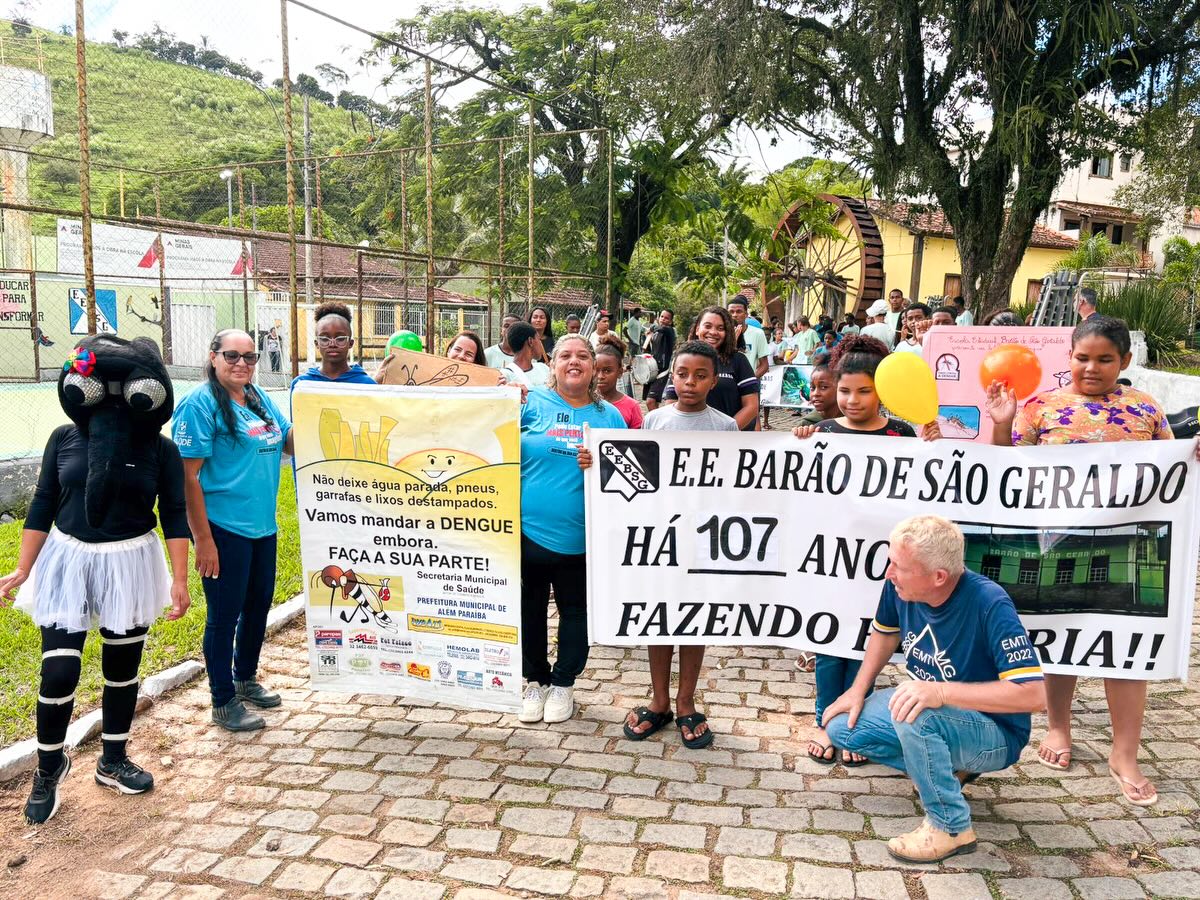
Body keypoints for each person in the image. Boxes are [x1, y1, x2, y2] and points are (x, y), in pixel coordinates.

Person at [984, 316, 1177, 807]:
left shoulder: (1145, 409)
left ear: (1126, 362)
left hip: (1129, 546)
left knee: (1125, 647)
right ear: (1067, 358)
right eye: (1082, 357)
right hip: (1055, 545)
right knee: (1060, 636)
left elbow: (1174, 470)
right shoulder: (1039, 408)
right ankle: (1058, 728)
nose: (1091, 368)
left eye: (1105, 359)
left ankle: (1124, 753)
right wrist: (1003, 423)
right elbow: (1004, 471)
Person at [1, 335, 190, 825]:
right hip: (67, 560)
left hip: (131, 562)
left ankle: (113, 760)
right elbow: (43, 501)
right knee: (59, 671)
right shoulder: (64, 438)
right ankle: (49, 766)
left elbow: (173, 513)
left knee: (121, 670)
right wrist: (24, 567)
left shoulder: (160, 449)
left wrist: (180, 580)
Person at [824, 516, 1046, 863]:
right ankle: (945, 770)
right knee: (840, 728)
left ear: (938, 577)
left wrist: (940, 692)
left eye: (898, 566)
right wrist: (857, 690)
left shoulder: (989, 602)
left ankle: (951, 827)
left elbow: (1033, 695)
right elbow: (885, 632)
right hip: (937, 712)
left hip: (996, 733)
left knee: (918, 713)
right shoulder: (901, 585)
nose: (888, 573)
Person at [793, 336, 941, 768]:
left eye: (863, 391)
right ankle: (825, 719)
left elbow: (929, 483)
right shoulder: (820, 432)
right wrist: (799, 442)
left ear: (882, 392)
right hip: (828, 563)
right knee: (826, 643)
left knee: (867, 644)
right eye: (844, 391)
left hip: (882, 565)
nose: (852, 400)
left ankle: (854, 723)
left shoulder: (900, 435)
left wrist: (933, 445)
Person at [614, 340, 735, 749]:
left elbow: (738, 484)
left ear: (713, 380)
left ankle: (686, 701)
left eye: (701, 376)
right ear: (672, 375)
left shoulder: (726, 427)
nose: (690, 383)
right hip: (660, 539)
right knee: (659, 616)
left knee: (694, 620)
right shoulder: (655, 422)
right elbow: (635, 475)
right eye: (683, 374)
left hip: (703, 538)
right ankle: (660, 699)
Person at [174, 329, 294, 733]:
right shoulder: (200, 404)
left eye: (250, 356)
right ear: (213, 357)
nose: (241, 364)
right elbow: (188, 479)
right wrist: (203, 540)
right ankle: (222, 701)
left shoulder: (257, 398)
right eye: (231, 355)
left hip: (262, 526)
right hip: (223, 529)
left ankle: (245, 678)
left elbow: (288, 440)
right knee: (224, 616)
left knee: (258, 605)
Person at [518, 335, 626, 725]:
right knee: (529, 610)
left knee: (575, 611)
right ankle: (536, 680)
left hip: (583, 538)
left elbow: (627, 477)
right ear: (553, 365)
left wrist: (599, 464)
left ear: (595, 367)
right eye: (565, 355)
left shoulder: (609, 417)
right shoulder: (528, 403)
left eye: (583, 355)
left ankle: (564, 683)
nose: (574, 361)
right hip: (527, 533)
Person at [663, 306, 759, 430]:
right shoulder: (681, 359)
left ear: (727, 332)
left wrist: (721, 433)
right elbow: (671, 402)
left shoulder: (738, 360)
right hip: (689, 439)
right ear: (697, 329)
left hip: (731, 441)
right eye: (707, 326)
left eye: (720, 328)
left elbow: (751, 406)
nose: (713, 332)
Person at [292, 302, 376, 388]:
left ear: (350, 343)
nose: (332, 344)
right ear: (317, 344)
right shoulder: (302, 384)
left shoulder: (367, 384)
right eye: (325, 339)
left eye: (340, 339)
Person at [594, 334, 642, 429]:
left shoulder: (632, 407)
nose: (600, 376)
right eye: (595, 370)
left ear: (620, 372)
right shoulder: (582, 403)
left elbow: (637, 441)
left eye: (607, 371)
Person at [501, 322, 550, 388]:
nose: (541, 345)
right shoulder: (505, 376)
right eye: (539, 339)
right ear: (530, 341)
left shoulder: (544, 368)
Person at [643, 309, 676, 400]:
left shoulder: (669, 331)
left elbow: (660, 328)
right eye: (662, 316)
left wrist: (651, 328)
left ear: (671, 321)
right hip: (652, 368)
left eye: (666, 318)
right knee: (649, 400)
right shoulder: (656, 333)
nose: (663, 319)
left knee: (651, 400)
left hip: (662, 371)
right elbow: (649, 349)